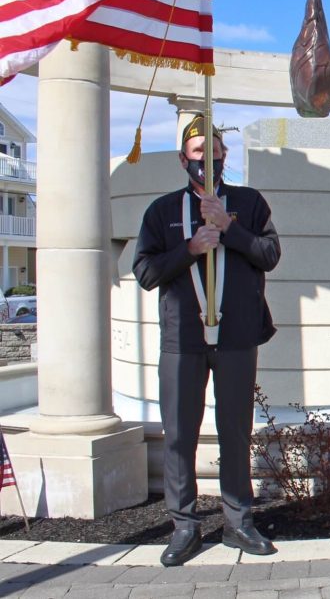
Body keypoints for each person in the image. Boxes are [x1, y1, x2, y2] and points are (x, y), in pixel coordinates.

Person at [133, 115, 281, 566]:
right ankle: (184, 525)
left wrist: (230, 229)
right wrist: (190, 249)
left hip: (236, 336)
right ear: (184, 159)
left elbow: (270, 255)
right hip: (183, 339)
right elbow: (145, 272)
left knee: (235, 431)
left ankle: (238, 521)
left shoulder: (250, 203)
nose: (209, 158)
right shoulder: (161, 212)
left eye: (215, 151)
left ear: (225, 156)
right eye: (199, 152)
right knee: (180, 434)